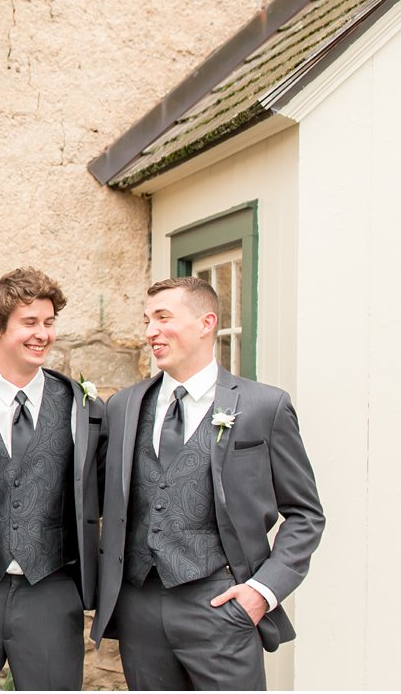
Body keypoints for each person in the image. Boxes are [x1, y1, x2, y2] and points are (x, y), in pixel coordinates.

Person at [90, 276, 326, 689]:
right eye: (147, 320)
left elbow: (306, 514)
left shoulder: (263, 407)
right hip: (140, 608)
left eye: (163, 318)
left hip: (222, 605)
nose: (150, 332)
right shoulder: (124, 405)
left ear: (206, 323)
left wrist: (262, 592)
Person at [0, 268, 105, 691]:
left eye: (49, 323)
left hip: (50, 588)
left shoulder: (81, 405)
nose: (43, 335)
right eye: (29, 323)